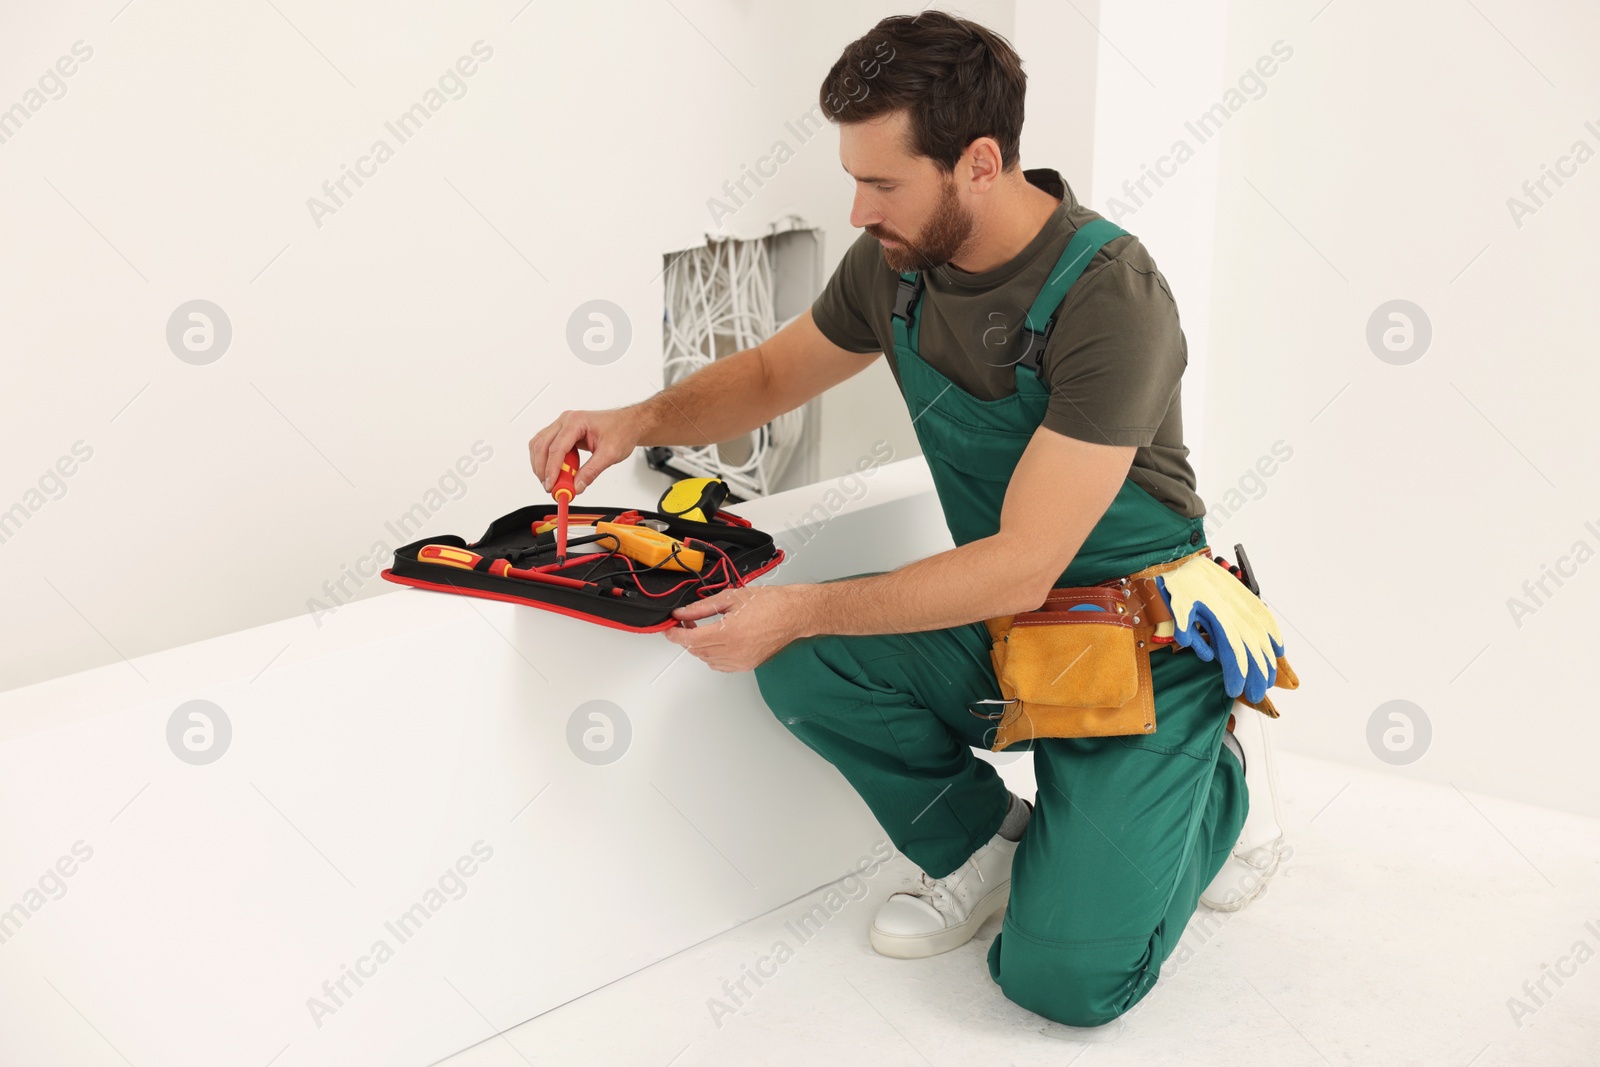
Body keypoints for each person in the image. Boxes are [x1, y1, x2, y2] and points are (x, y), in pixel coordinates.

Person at [527, 11, 1285, 1028]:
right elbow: (766, 374)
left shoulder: (1110, 297)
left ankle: (1218, 785)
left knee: (1059, 981)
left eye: (881, 182)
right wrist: (634, 419)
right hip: (1009, 621)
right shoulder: (896, 264)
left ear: (978, 161)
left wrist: (800, 606)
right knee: (803, 659)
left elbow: (1024, 561)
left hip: (1140, 642)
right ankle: (986, 846)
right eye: (853, 176)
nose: (855, 209)